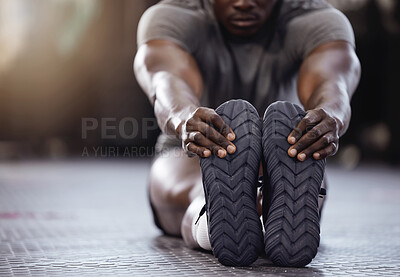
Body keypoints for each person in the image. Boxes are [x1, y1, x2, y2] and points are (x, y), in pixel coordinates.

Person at [134, 0, 360, 268]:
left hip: (287, 146)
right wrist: (184, 119)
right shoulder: (173, 15)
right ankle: (247, 211)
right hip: (193, 146)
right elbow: (165, 80)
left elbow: (332, 81)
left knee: (292, 165)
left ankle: (217, 219)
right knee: (203, 183)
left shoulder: (315, 18)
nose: (244, 3)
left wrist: (328, 117)